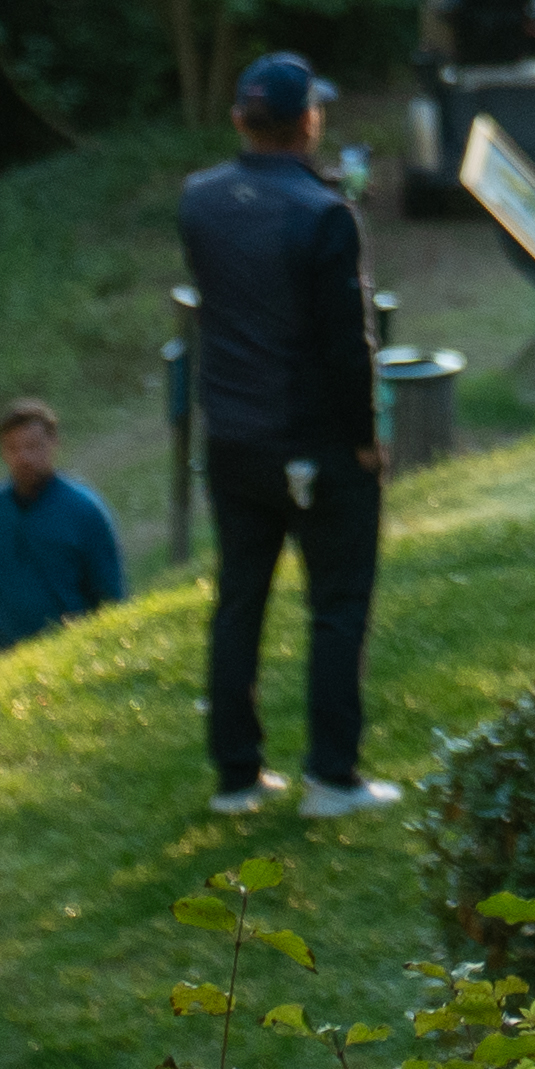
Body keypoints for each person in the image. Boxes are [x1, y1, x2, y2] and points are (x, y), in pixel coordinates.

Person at [181, 50, 402, 818]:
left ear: (241, 119)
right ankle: (331, 778)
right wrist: (367, 438)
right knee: (338, 605)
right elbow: (348, 342)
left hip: (233, 439)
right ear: (307, 122)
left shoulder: (199, 201)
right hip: (311, 441)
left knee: (239, 600)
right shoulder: (324, 214)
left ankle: (237, 777)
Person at [0, 398, 128, 663]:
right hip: (7, 660)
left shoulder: (84, 510)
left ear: (54, 444)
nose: (23, 458)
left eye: (33, 447)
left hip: (72, 654)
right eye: (13, 448)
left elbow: (110, 594)